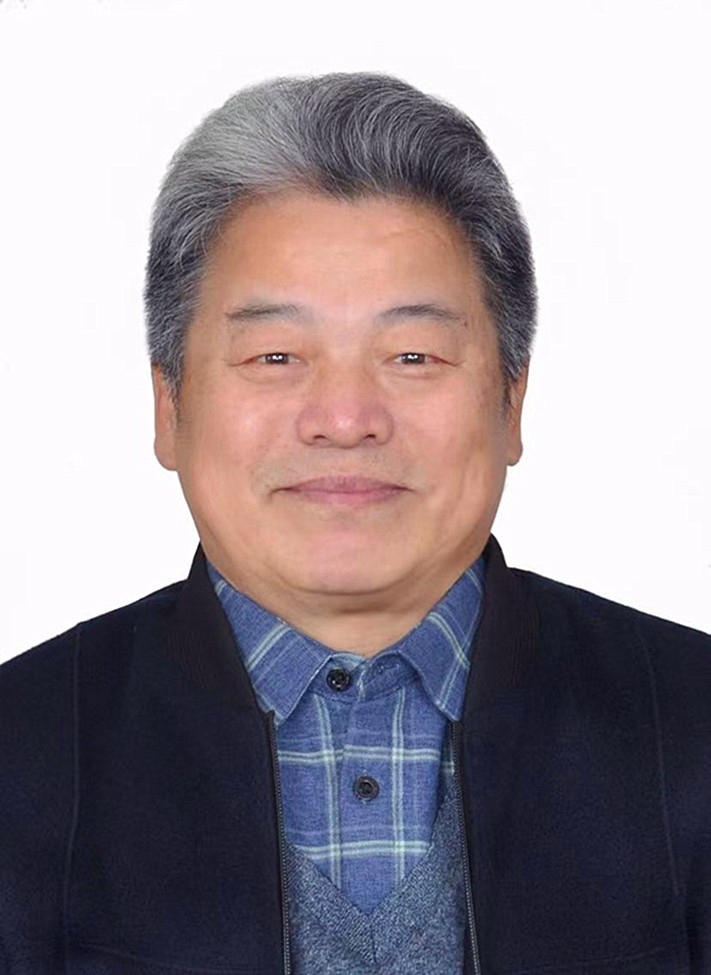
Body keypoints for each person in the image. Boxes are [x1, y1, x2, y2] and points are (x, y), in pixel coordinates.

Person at [1, 72, 709, 975]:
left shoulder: (691, 728)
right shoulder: (18, 755)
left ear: (511, 400)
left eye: (411, 354)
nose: (344, 418)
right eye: (276, 355)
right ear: (169, 405)